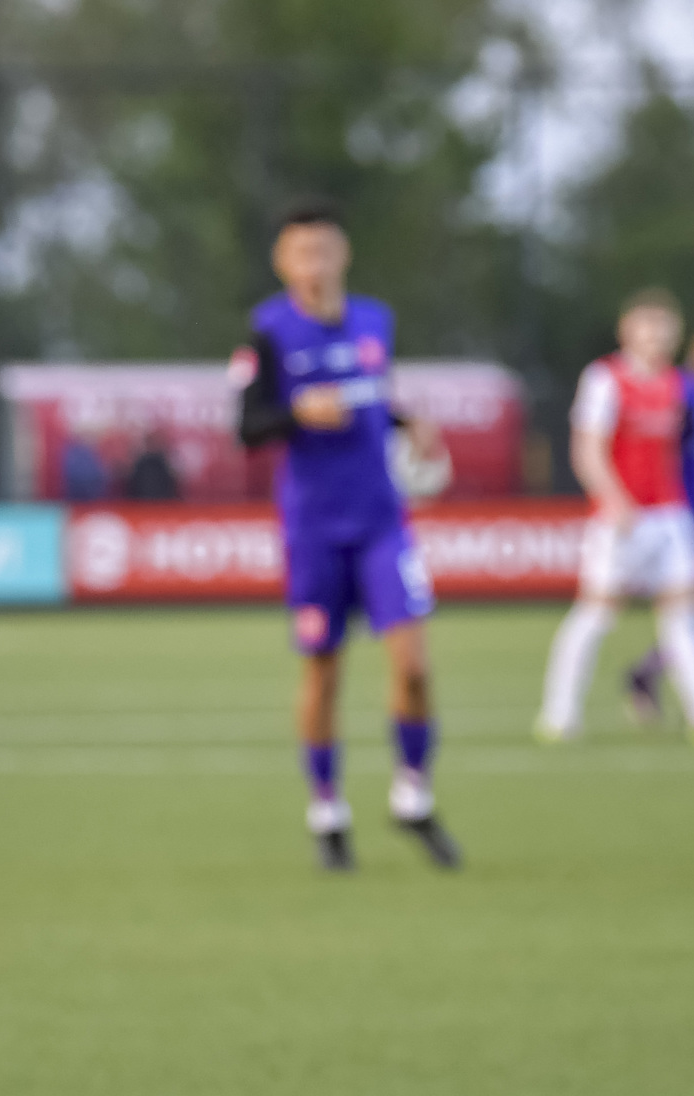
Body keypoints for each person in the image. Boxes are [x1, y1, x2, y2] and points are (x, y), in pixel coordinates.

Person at [235, 201, 459, 871]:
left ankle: (413, 795)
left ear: (344, 255)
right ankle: (327, 811)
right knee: (324, 671)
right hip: (313, 528)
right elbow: (247, 426)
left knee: (413, 667)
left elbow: (373, 396)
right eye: (302, 253)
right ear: (283, 261)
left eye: (325, 251)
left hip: (382, 520)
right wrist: (297, 412)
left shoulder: (374, 320)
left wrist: (408, 422)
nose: (316, 264)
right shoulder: (267, 332)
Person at [538, 291, 694, 742]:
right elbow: (587, 449)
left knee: (683, 614)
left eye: (664, 327)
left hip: (669, 515)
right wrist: (614, 500)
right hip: (621, 519)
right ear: (627, 330)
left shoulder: (676, 383)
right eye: (647, 326)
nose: (656, 336)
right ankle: (559, 715)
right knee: (596, 615)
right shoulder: (605, 379)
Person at [619, 322, 694, 729]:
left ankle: (647, 671)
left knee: (693, 616)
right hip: (689, 519)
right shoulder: (681, 391)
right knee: (687, 612)